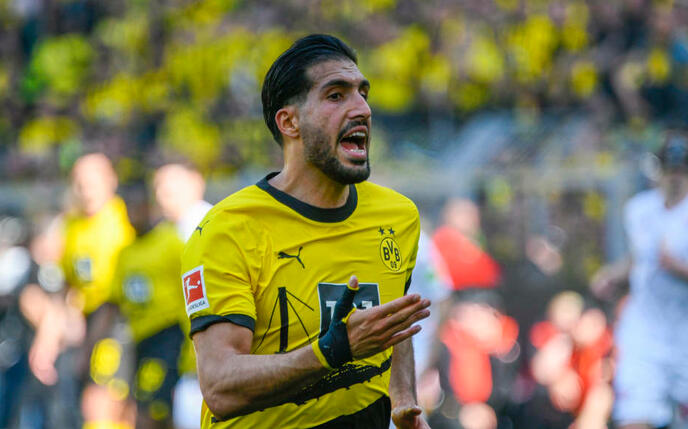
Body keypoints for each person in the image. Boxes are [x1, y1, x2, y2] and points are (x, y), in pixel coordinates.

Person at [181, 34, 431, 428]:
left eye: (362, 93)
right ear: (289, 122)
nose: (362, 109)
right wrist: (332, 350)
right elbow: (220, 387)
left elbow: (392, 324)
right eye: (336, 95)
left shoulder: (399, 217)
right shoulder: (228, 230)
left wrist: (403, 398)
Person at [591, 131, 688, 429]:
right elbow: (639, 260)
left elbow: (668, 263)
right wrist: (613, 275)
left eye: (682, 168)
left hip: (684, 333)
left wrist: (679, 269)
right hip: (645, 332)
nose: (675, 176)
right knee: (634, 417)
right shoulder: (640, 210)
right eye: (670, 167)